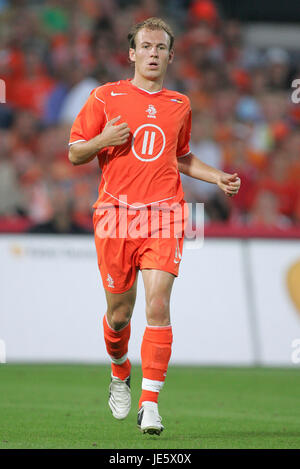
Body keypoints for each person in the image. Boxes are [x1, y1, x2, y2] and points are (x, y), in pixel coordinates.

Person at [68, 17, 241, 436]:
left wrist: (215, 175)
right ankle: (119, 368)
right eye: (145, 46)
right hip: (114, 215)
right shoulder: (104, 97)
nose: (152, 54)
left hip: (164, 214)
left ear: (169, 55)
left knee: (159, 304)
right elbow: (75, 153)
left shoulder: (179, 104)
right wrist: (102, 140)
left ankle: (150, 402)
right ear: (132, 53)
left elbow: (178, 156)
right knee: (119, 313)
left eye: (160, 48)